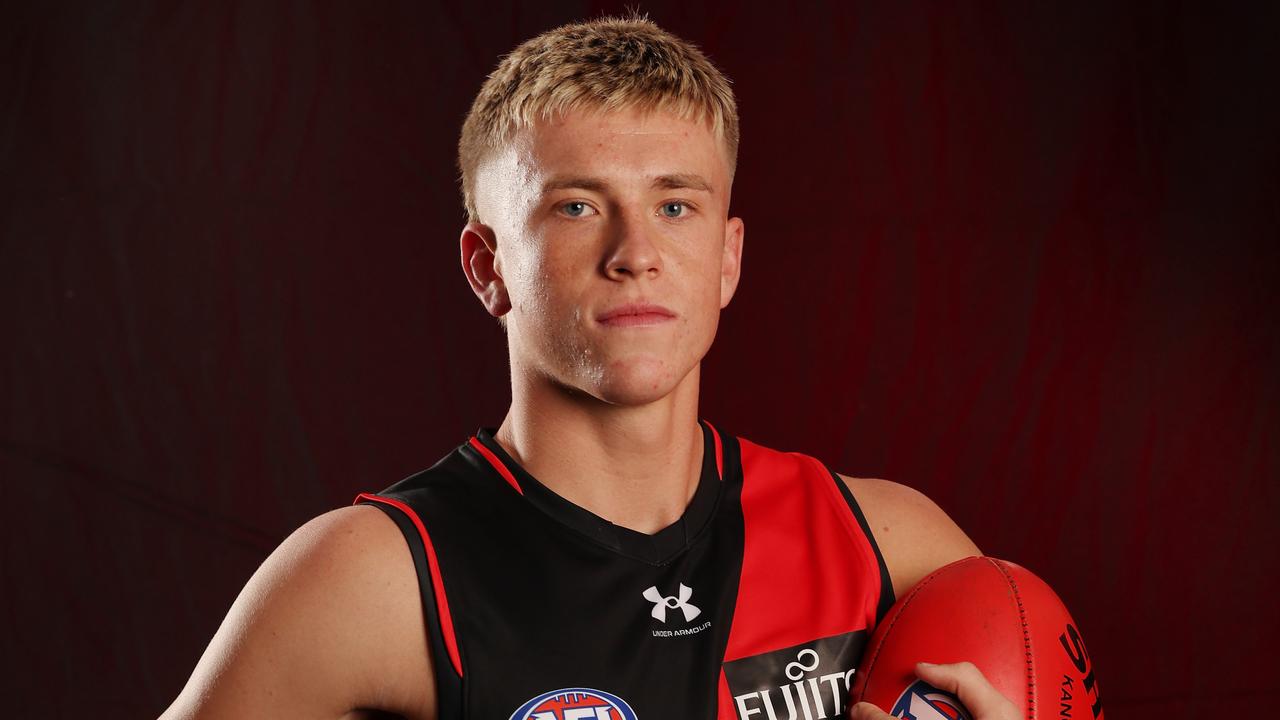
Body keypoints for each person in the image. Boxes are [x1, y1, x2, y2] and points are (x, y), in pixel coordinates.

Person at [161, 15, 1020, 720]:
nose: (635, 253)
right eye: (577, 206)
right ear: (487, 266)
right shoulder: (374, 580)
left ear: (727, 259)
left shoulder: (889, 549)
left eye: (675, 205)